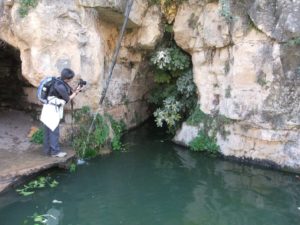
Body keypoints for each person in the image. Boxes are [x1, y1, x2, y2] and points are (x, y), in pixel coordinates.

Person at [40, 68, 82, 157]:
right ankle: (55, 152)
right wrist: (76, 93)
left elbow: (65, 92)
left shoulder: (57, 80)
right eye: (70, 78)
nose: (71, 80)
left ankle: (47, 150)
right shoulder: (60, 86)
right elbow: (67, 99)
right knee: (54, 132)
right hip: (52, 111)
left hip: (47, 109)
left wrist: (76, 89)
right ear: (67, 78)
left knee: (47, 131)